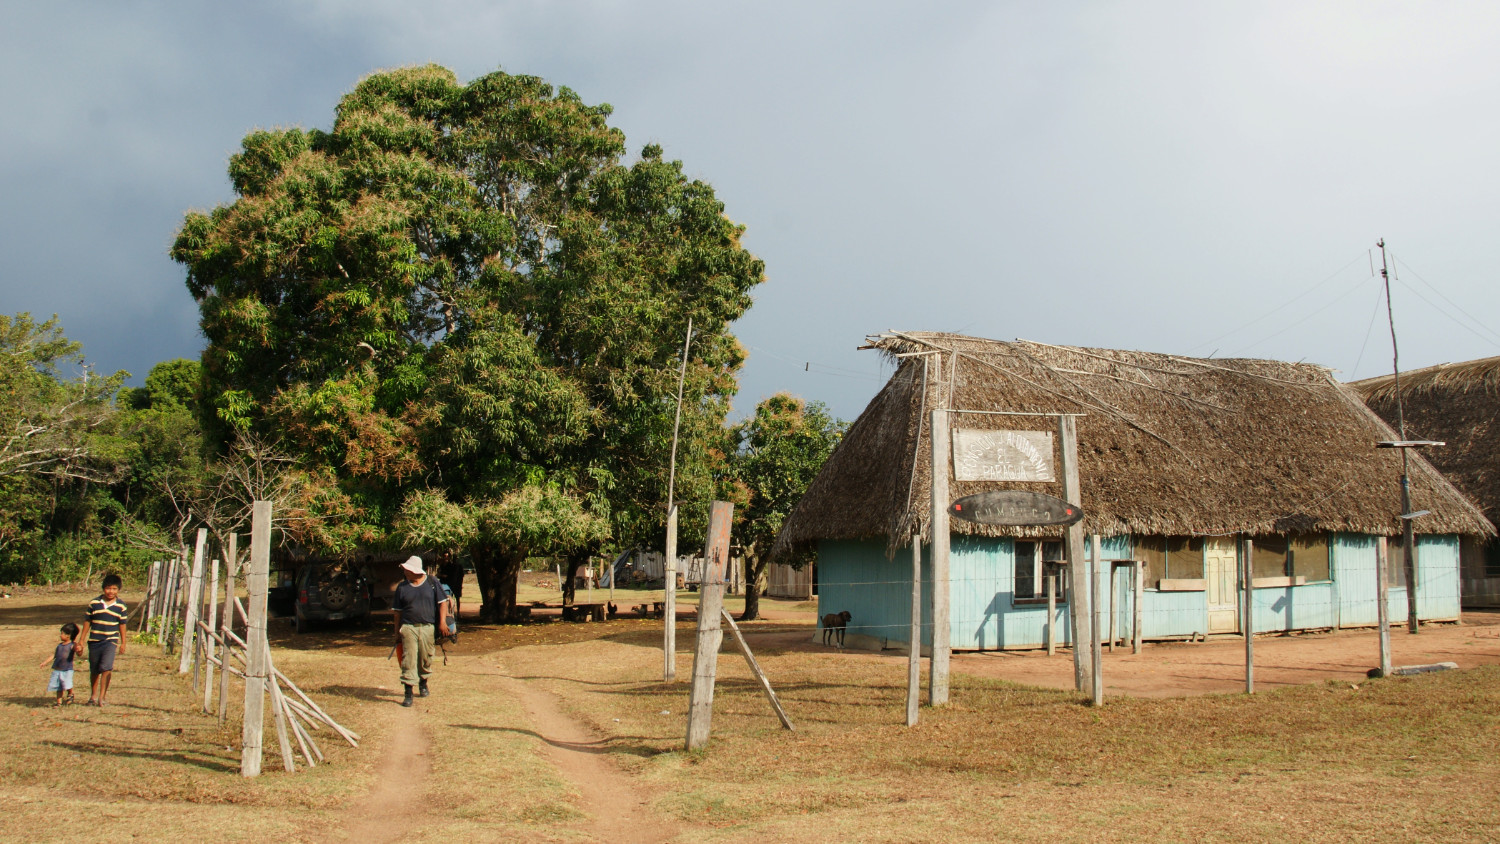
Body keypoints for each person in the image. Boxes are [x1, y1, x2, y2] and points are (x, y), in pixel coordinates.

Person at [392, 556, 448, 708]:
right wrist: (397, 632)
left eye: (407, 570)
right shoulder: (402, 587)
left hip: (427, 627)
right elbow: (397, 612)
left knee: (426, 657)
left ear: (415, 571)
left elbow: (443, 603)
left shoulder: (432, 583)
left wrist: (442, 622)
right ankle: (408, 693)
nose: (405, 572)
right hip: (409, 627)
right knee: (408, 659)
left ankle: (423, 683)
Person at [77, 573, 128, 707]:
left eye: (114, 589)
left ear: (118, 590)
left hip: (110, 641)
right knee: (95, 670)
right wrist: (81, 640)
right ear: (103, 588)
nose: (111, 592)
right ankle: (93, 696)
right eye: (108, 588)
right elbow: (88, 621)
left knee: (107, 668)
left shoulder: (121, 606)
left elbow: (122, 625)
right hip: (95, 640)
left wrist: (123, 642)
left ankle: (102, 697)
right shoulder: (94, 603)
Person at [40, 622, 79, 706]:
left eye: (62, 634)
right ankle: (59, 702)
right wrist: (45, 662)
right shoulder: (59, 646)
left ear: (68, 635)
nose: (60, 635)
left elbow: (77, 649)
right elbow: (54, 655)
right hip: (58, 669)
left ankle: (70, 694)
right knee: (58, 687)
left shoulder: (72, 645)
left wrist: (78, 648)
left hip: (67, 670)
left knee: (67, 684)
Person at [440, 555, 465, 619]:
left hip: (456, 585)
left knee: (457, 598)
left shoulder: (459, 566)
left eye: (456, 559)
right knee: (450, 598)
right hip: (451, 584)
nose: (455, 560)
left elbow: (461, 575)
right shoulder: (450, 566)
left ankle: (458, 612)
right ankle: (451, 612)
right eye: (454, 559)